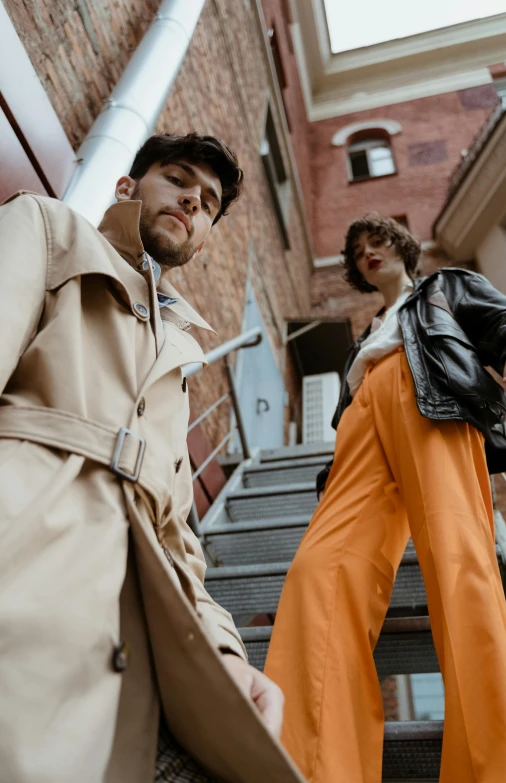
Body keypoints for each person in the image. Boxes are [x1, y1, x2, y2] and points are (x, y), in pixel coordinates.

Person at [0, 133, 293, 783]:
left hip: (121, 639)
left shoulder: (182, 353)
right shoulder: (46, 229)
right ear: (128, 187)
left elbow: (176, 531)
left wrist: (224, 650)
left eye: (210, 201)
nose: (194, 198)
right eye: (178, 178)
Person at [264, 214, 506, 783]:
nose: (367, 253)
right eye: (356, 252)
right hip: (358, 435)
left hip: (430, 405)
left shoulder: (442, 289)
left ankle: (490, 770)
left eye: (376, 241)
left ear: (402, 246)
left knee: (460, 568)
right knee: (317, 574)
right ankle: (318, 767)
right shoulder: (366, 336)